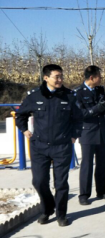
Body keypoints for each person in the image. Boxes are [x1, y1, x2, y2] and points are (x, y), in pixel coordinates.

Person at [16, 64, 83, 227]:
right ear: (46, 78)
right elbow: (20, 115)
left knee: (61, 183)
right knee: (39, 181)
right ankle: (47, 209)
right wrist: (24, 130)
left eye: (61, 76)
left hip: (62, 146)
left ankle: (61, 214)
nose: (60, 79)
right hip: (39, 146)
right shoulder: (34, 96)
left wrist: (74, 135)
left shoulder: (69, 96)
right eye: (56, 77)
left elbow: (78, 118)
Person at [74, 65, 105, 205]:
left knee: (102, 164)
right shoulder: (78, 93)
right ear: (92, 78)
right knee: (87, 165)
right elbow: (82, 114)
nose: (101, 79)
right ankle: (84, 195)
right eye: (99, 77)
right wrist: (98, 107)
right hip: (88, 133)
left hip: (102, 131)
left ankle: (102, 191)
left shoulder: (100, 90)